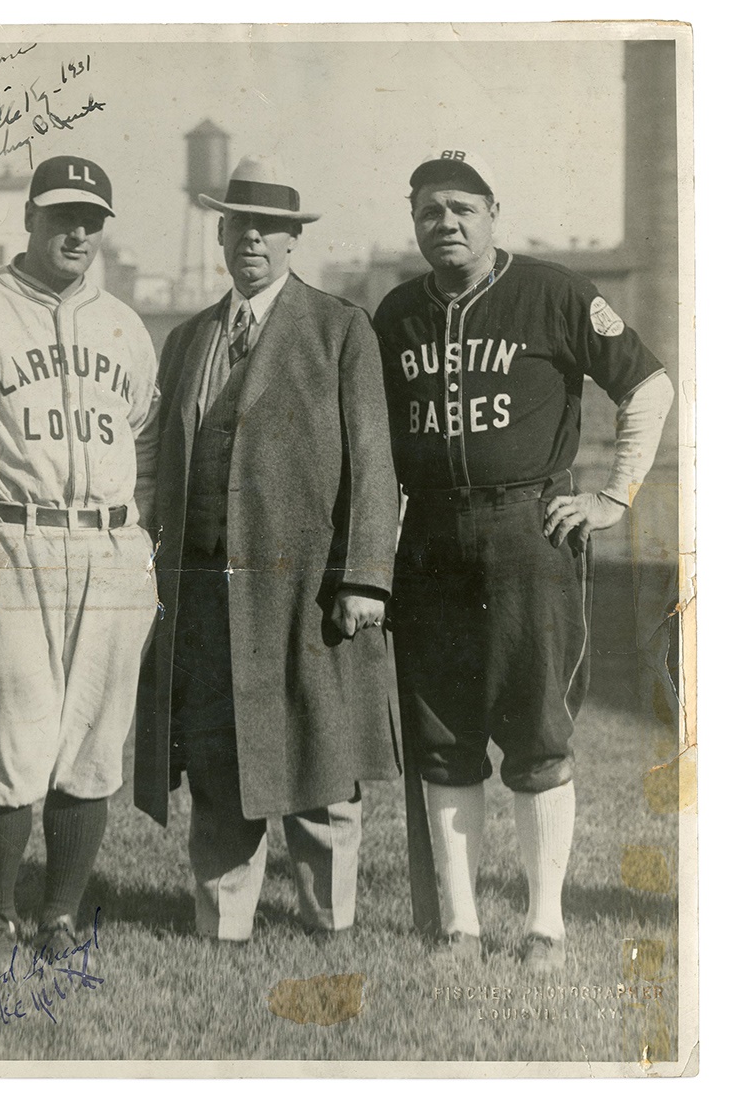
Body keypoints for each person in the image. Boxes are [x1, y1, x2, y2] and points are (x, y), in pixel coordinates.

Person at [373, 148, 674, 969]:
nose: (446, 224)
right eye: (429, 210)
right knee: (443, 732)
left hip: (527, 528)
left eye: (461, 208)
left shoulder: (553, 291)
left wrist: (613, 496)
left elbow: (648, 386)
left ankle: (545, 923)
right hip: (430, 534)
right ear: (414, 222)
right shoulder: (396, 311)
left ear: (492, 211)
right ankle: (461, 927)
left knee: (537, 728)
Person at [134, 155, 400, 942]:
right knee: (220, 767)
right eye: (239, 225)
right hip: (206, 598)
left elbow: (374, 463)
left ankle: (331, 921)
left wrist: (366, 580)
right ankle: (224, 927)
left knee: (322, 765)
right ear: (219, 232)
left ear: (294, 241)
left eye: (270, 228)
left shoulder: (339, 328)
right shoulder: (186, 340)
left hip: (308, 594)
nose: (253, 239)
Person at [0, 156, 159, 966]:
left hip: (114, 550)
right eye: (61, 215)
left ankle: (57, 914)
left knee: (93, 739)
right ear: (29, 217)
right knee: (15, 737)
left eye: (91, 217)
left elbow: (147, 445)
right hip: (12, 544)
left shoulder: (125, 324)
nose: (77, 231)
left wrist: (138, 542)